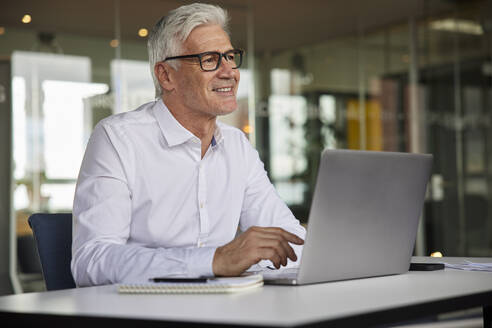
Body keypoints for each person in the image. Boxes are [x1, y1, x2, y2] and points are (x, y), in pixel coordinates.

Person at [71, 3, 305, 286]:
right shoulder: (118, 139)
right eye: (209, 59)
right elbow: (91, 261)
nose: (229, 71)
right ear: (166, 75)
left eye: (230, 56)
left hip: (225, 308)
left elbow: (289, 239)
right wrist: (215, 260)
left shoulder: (236, 145)